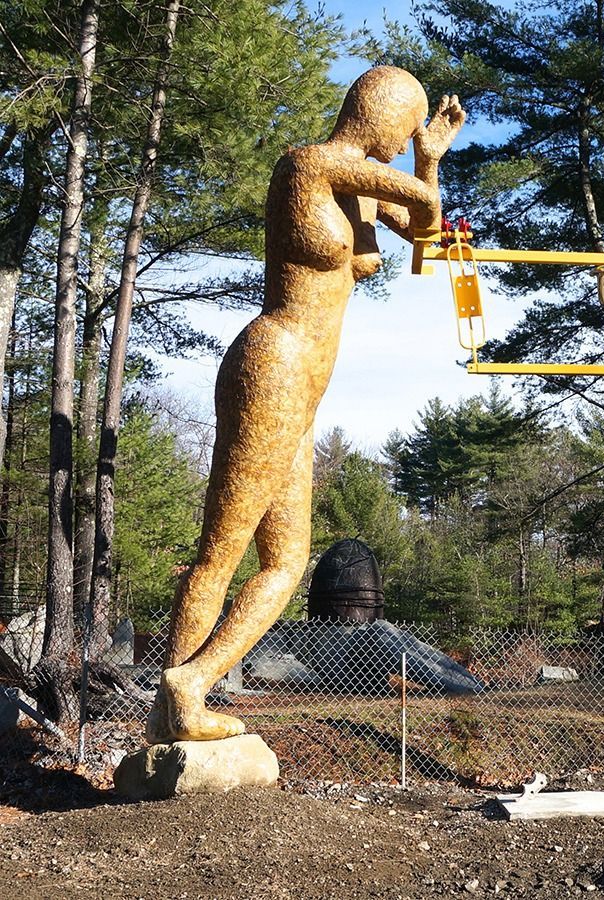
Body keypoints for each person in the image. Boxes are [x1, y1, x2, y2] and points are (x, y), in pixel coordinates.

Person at [147, 67, 465, 743]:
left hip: (306, 385)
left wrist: (429, 159)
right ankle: (180, 694)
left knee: (287, 562)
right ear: (378, 112)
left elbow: (427, 237)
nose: (403, 141)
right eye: (405, 127)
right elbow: (424, 208)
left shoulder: (362, 192)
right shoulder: (310, 165)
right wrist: (419, 167)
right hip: (273, 362)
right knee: (221, 550)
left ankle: (184, 696)